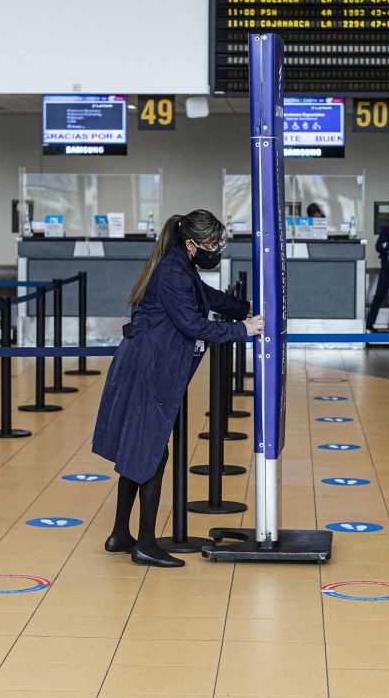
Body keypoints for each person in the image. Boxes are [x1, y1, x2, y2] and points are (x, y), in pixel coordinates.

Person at [92, 210, 263, 568]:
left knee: (138, 448)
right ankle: (146, 544)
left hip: (148, 362)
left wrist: (243, 307)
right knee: (152, 453)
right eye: (212, 244)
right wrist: (243, 330)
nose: (216, 250)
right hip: (149, 367)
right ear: (191, 244)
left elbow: (208, 297)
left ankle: (121, 534)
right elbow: (193, 324)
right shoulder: (172, 271)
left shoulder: (180, 266)